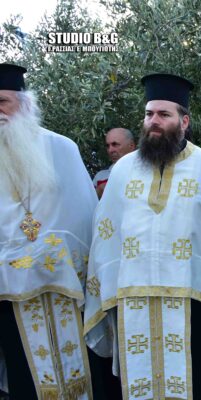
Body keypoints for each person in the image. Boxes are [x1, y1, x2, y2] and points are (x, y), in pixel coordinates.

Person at [83, 73, 201, 399]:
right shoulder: (123, 171)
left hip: (197, 305)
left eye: (164, 114)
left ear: (184, 121)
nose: (154, 122)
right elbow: (106, 234)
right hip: (134, 302)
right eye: (149, 114)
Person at [0, 63, 97, 398]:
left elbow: (83, 216)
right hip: (8, 296)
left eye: (3, 103)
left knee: (80, 373)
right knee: (24, 375)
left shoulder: (61, 148)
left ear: (25, 104)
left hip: (63, 287)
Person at [92, 127, 136, 198]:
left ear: (131, 146)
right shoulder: (100, 177)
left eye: (115, 144)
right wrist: (98, 192)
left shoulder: (148, 171)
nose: (110, 150)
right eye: (107, 146)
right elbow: (88, 203)